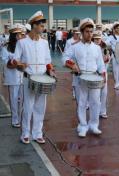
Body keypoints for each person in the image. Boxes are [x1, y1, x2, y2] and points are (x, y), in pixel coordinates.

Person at [13, 11, 56, 144]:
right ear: (34, 25)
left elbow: (48, 60)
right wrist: (20, 65)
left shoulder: (44, 43)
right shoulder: (22, 42)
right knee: (28, 107)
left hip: (42, 79)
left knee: (40, 107)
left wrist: (51, 70)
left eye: (43, 24)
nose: (43, 27)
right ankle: (26, 133)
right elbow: (15, 60)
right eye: (41, 24)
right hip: (29, 79)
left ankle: (37, 133)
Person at [63, 18, 106, 138]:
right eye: (87, 31)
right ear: (81, 32)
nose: (90, 34)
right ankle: (82, 125)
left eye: (91, 31)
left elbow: (101, 64)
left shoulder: (96, 48)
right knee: (81, 103)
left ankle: (94, 125)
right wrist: (72, 65)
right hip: (80, 78)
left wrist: (103, 75)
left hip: (94, 78)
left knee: (96, 102)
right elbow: (64, 57)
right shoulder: (74, 47)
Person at [1, 24, 25, 128]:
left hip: (23, 76)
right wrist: (15, 63)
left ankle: (22, 118)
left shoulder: (23, 46)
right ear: (14, 35)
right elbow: (5, 62)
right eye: (18, 35)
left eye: (21, 35)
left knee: (23, 99)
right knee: (14, 99)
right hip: (12, 77)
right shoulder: (6, 47)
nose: (20, 37)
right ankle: (15, 119)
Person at [93, 30, 111, 118]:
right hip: (93, 73)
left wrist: (107, 58)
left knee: (104, 92)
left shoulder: (105, 47)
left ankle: (103, 111)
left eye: (99, 39)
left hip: (103, 72)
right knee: (94, 93)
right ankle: (95, 111)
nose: (97, 40)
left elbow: (108, 59)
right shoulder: (90, 47)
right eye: (96, 39)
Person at [106, 21, 119, 89]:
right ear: (114, 29)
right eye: (116, 28)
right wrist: (111, 47)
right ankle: (117, 84)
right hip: (116, 55)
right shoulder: (111, 37)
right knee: (116, 70)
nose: (118, 29)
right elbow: (107, 43)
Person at [64, 27, 81, 99]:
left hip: (80, 62)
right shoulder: (69, 41)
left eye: (78, 34)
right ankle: (75, 94)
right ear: (73, 33)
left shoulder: (81, 41)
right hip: (72, 62)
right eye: (76, 34)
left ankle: (79, 93)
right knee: (75, 79)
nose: (77, 35)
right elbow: (66, 52)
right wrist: (71, 64)